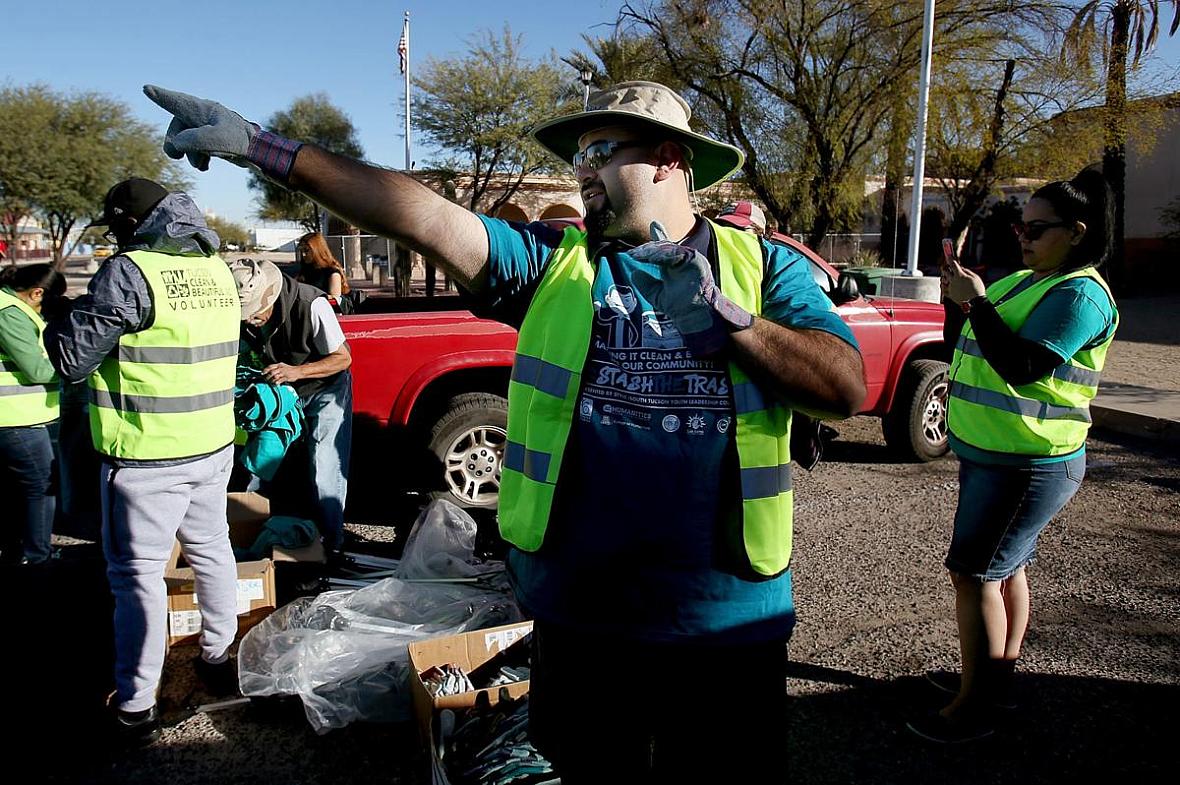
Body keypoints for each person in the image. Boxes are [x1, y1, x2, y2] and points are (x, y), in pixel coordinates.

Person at [145, 80, 866, 781]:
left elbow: (843, 387)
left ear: (670, 160)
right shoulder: (553, 266)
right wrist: (265, 149)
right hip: (582, 621)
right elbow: (419, 214)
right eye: (577, 154)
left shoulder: (761, 267)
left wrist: (730, 323)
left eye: (604, 149)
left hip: (726, 624)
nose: (583, 169)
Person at [907, 169, 1118, 744]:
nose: (1023, 237)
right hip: (996, 455)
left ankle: (975, 707)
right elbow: (969, 346)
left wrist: (976, 304)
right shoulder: (1029, 280)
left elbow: (1026, 365)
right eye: (1021, 227)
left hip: (1029, 464)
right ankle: (994, 681)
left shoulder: (1079, 294)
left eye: (1037, 229)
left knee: (973, 574)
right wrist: (962, 302)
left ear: (1076, 232)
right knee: (1005, 569)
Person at [46, 178, 243, 746]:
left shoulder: (130, 271)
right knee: (212, 548)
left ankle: (135, 703)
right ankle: (218, 654)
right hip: (211, 443)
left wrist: (67, 313)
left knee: (136, 578)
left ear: (132, 225)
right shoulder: (216, 267)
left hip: (146, 454)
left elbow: (71, 360)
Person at [228, 257, 353, 555]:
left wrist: (297, 372)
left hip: (324, 388)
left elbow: (343, 358)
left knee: (324, 466)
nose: (249, 321)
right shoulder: (248, 318)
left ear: (270, 295)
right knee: (262, 457)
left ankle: (332, 544)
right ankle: (245, 531)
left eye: (255, 313)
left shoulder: (312, 304)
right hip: (284, 390)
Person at [0, 264, 65, 566]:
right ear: (37, 292)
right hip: (16, 421)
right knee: (41, 488)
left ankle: (16, 551)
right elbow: (36, 369)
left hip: (16, 420)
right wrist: (74, 367)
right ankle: (37, 556)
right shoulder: (10, 313)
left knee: (17, 491)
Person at [295, 231, 351, 311]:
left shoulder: (332, 273)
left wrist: (314, 297)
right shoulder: (304, 271)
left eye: (307, 250)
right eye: (301, 251)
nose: (303, 254)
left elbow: (335, 299)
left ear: (317, 250)